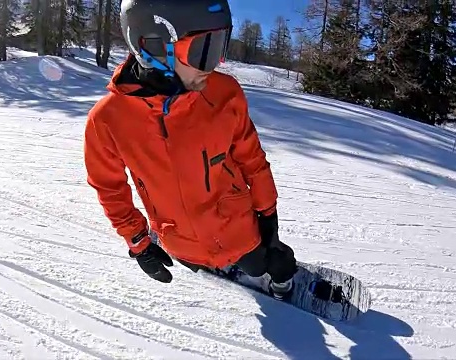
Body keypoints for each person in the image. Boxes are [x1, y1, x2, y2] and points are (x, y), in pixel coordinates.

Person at [83, 0, 298, 299]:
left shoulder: (224, 93)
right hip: (178, 240)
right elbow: (109, 188)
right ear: (152, 46)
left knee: (258, 264)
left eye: (220, 46)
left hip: (239, 229)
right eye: (204, 50)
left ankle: (276, 281)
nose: (216, 64)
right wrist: (139, 243)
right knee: (197, 259)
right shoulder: (107, 120)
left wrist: (268, 218)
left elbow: (252, 160)